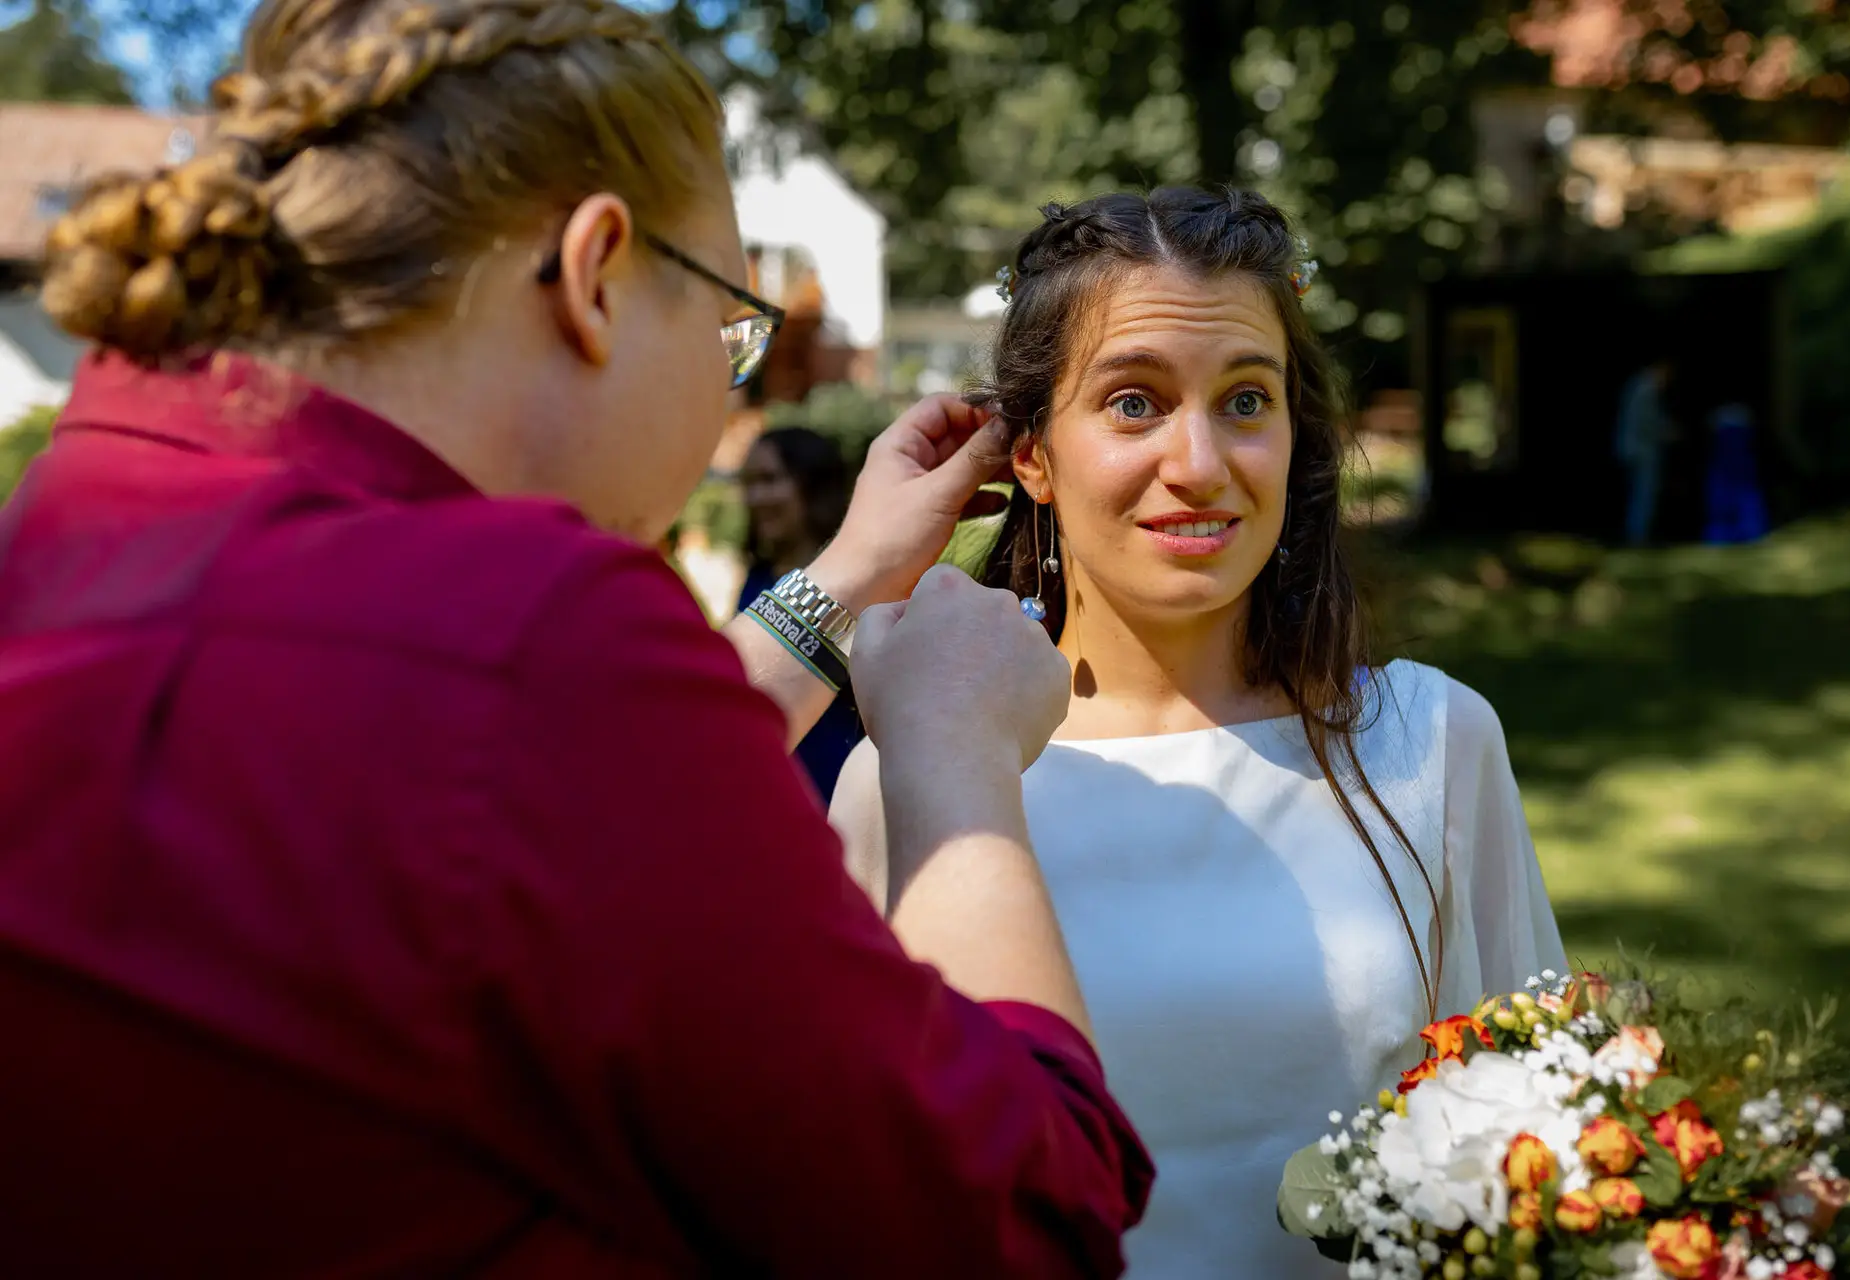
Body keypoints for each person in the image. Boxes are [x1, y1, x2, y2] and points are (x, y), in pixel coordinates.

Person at [0, 2, 1152, 1275]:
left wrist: (841, 579)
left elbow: (488, 799)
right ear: (598, 271)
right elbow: (1014, 1224)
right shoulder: (524, 628)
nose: (734, 376)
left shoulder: (75, 521)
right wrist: (956, 760)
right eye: (731, 328)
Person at [831, 188, 1564, 1277]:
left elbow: (1549, 1139)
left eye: (1246, 401)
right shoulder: (916, 768)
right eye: (1133, 403)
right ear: (1029, 454)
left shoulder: (1433, 740)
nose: (1201, 461)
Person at [737, 426, 865, 801]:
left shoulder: (863, 584)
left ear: (811, 485)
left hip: (837, 789)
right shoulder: (756, 579)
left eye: (770, 479)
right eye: (749, 482)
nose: (756, 497)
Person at [1616, 358, 1676, 547]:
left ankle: (1637, 534)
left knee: (1638, 494)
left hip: (1633, 449)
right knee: (1643, 495)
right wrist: (1668, 432)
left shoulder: (1636, 387)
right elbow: (1648, 422)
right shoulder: (1646, 390)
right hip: (1642, 450)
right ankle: (1638, 536)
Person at [1702, 401, 1769, 545]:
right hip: (1734, 471)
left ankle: (1739, 534)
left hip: (1734, 471)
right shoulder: (1737, 431)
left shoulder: (1727, 432)